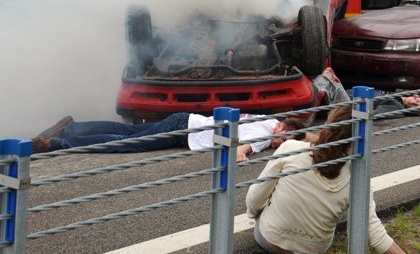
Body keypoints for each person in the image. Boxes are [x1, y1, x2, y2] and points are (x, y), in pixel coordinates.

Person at [245, 105, 420, 254]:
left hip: (269, 239)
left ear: (326, 126)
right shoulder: (356, 175)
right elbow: (374, 232)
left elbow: (254, 198)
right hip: (312, 250)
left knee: (268, 196)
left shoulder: (289, 149)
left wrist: (256, 215)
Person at [31, 113, 306, 161]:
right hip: (183, 130)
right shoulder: (263, 133)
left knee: (129, 131)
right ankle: (55, 143)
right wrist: (242, 157)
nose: (278, 146)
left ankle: (73, 127)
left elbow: (307, 134)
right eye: (282, 140)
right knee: (125, 144)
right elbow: (241, 150)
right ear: (281, 129)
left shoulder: (269, 119)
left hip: (184, 121)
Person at [312, 67, 420, 119]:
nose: (414, 105)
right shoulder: (395, 95)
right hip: (347, 97)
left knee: (329, 76)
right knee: (326, 80)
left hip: (348, 106)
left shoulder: (397, 107)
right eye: (418, 102)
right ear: (416, 96)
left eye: (416, 109)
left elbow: (372, 114)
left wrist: (348, 115)